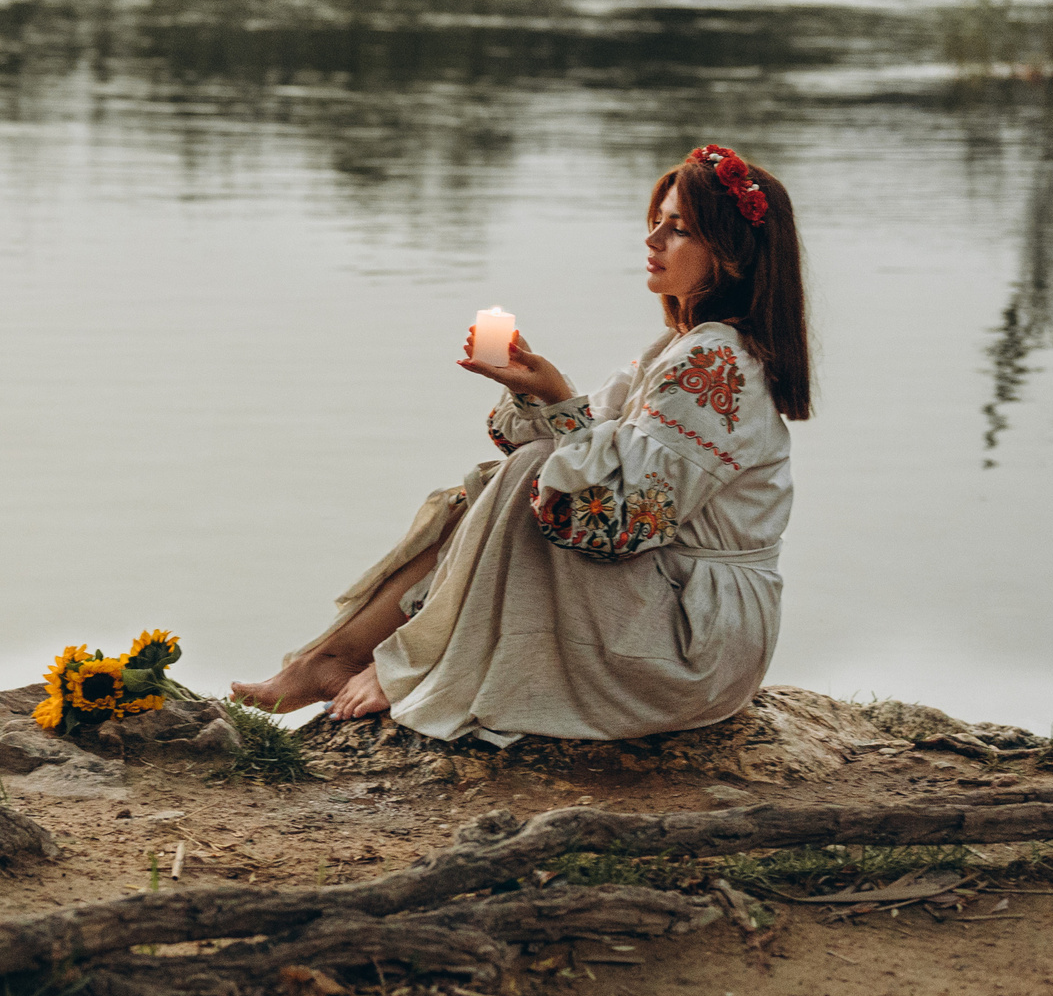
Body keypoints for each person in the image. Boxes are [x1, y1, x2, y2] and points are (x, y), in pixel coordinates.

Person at [231, 143, 810, 743]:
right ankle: (329, 660)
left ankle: (398, 663)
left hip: (697, 646)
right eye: (655, 222)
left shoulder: (714, 363)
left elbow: (616, 519)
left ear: (731, 254)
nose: (652, 241)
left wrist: (559, 410)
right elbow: (593, 457)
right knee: (501, 486)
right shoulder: (680, 349)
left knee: (531, 475)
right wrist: (542, 393)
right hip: (687, 609)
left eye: (679, 229)